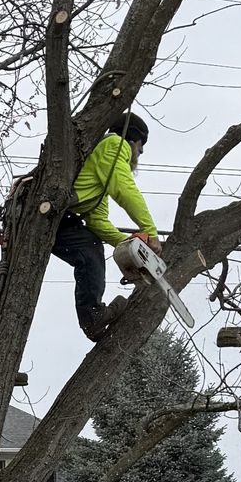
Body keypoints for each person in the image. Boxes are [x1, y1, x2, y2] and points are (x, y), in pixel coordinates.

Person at [54, 114, 160, 340]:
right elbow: (125, 189)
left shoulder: (98, 172)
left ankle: (92, 319)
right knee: (89, 250)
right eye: (141, 146)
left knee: (91, 243)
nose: (140, 153)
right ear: (132, 139)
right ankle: (92, 318)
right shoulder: (115, 144)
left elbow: (97, 221)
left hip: (61, 217)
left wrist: (129, 245)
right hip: (56, 215)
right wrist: (150, 233)